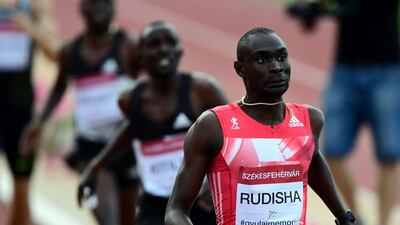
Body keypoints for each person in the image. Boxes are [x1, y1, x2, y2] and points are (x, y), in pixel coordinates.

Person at [165, 27, 357, 225]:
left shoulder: (310, 120)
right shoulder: (214, 126)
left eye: (282, 57)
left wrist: (344, 218)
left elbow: (312, 159)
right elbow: (176, 210)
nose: (277, 67)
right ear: (240, 69)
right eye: (263, 60)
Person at [77, 21, 228, 225]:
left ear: (179, 51)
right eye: (154, 43)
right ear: (141, 56)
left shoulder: (203, 91)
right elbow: (133, 127)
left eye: (169, 42)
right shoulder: (130, 100)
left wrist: (216, 185)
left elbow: (232, 138)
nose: (163, 48)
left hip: (200, 201)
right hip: (155, 205)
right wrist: (96, 166)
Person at [20, 0, 138, 224]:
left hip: (125, 145)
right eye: (93, 4)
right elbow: (58, 87)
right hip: (90, 148)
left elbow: (153, 83)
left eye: (105, 4)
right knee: (107, 218)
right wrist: (40, 123)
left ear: (114, 7)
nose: (100, 10)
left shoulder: (128, 47)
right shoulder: (71, 52)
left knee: (130, 220)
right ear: (82, 9)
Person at [287, 1, 400, 224]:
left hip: (387, 70)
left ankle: (384, 221)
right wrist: (315, 10)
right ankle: (357, 218)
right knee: (332, 150)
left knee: (390, 153)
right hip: (344, 70)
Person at [0, 0, 58, 224]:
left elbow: (55, 53)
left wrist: (30, 28)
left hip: (19, 112)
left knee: (21, 186)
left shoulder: (35, 3)